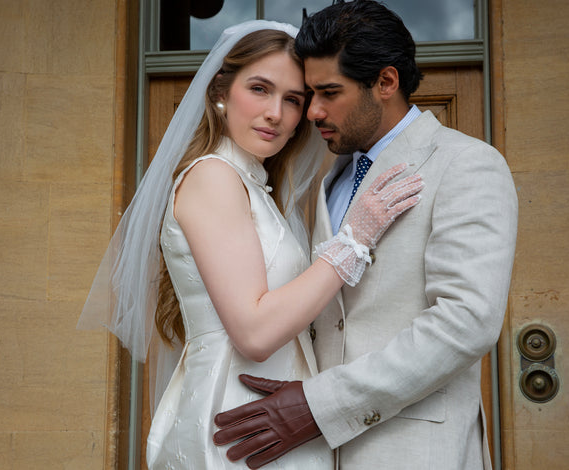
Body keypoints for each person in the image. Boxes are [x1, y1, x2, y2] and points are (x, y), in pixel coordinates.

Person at [78, 19, 424, 469]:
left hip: (270, 420)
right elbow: (254, 332)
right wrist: (354, 240)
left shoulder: (254, 186)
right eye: (260, 89)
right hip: (236, 425)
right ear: (220, 90)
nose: (276, 114)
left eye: (293, 100)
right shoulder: (212, 177)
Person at [213, 2, 519, 470]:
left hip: (415, 451)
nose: (312, 111)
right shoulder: (330, 177)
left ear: (386, 82)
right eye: (310, 93)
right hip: (314, 455)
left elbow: (465, 322)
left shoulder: (466, 164)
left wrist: (319, 405)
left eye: (329, 92)